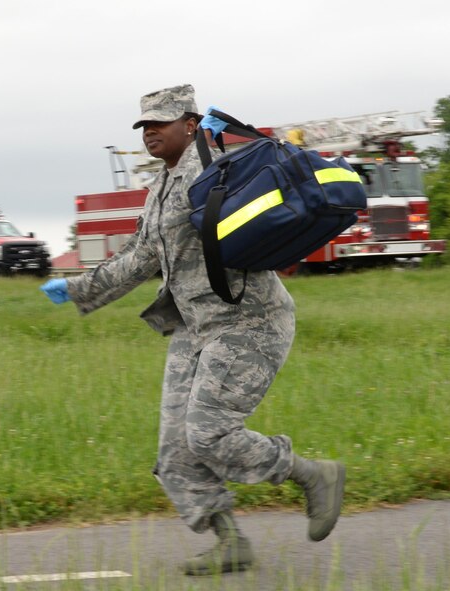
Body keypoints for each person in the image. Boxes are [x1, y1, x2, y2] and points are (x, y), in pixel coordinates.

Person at [40, 84, 345, 576]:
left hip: (250, 322)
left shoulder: (214, 172)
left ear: (191, 124)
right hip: (195, 326)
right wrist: (79, 289)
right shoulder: (161, 185)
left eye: (160, 122)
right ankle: (231, 543)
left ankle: (312, 475)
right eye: (144, 126)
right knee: (176, 450)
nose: (150, 133)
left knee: (208, 432)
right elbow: (143, 256)